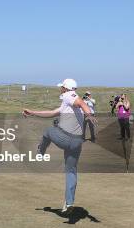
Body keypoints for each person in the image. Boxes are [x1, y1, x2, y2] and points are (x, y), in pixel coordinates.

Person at [23, 78, 96, 215]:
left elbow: (80, 102)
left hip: (67, 139)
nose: (60, 89)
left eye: (61, 87)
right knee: (71, 172)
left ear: (65, 88)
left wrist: (90, 114)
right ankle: (69, 203)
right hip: (77, 142)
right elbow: (51, 113)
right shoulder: (66, 103)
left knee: (49, 131)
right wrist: (32, 112)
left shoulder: (70, 95)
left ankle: (40, 151)